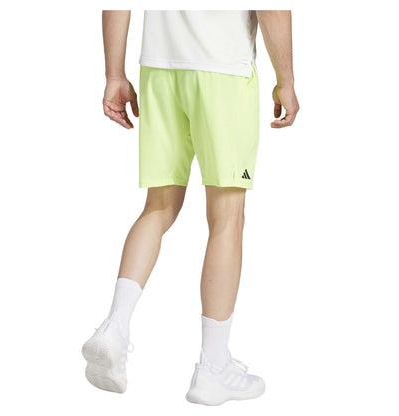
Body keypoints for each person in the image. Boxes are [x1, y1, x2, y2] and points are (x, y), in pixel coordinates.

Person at [82, 10, 299, 406]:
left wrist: (114, 74)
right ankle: (213, 368)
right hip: (223, 69)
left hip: (159, 68)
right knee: (227, 218)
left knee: (158, 206)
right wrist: (287, 80)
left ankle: (114, 327)